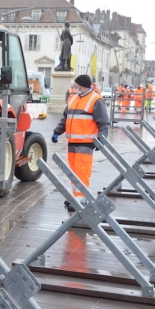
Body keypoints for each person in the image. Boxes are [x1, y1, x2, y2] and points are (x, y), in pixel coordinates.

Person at [51, 74, 110, 211]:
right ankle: (75, 197)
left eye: (76, 84)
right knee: (73, 172)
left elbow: (103, 122)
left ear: (82, 86)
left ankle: (81, 199)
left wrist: (102, 139)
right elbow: (65, 119)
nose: (73, 86)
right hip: (72, 142)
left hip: (85, 143)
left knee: (82, 171)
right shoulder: (73, 99)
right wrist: (57, 132)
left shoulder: (96, 100)